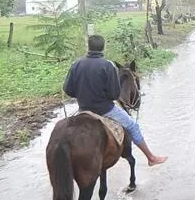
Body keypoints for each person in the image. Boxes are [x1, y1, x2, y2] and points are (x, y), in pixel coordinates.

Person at [63, 35, 167, 166]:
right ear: (103, 47)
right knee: (133, 126)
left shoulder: (76, 64)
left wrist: (82, 95)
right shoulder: (108, 66)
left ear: (88, 46)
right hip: (105, 110)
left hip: (83, 109)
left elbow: (68, 90)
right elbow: (114, 95)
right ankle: (151, 158)